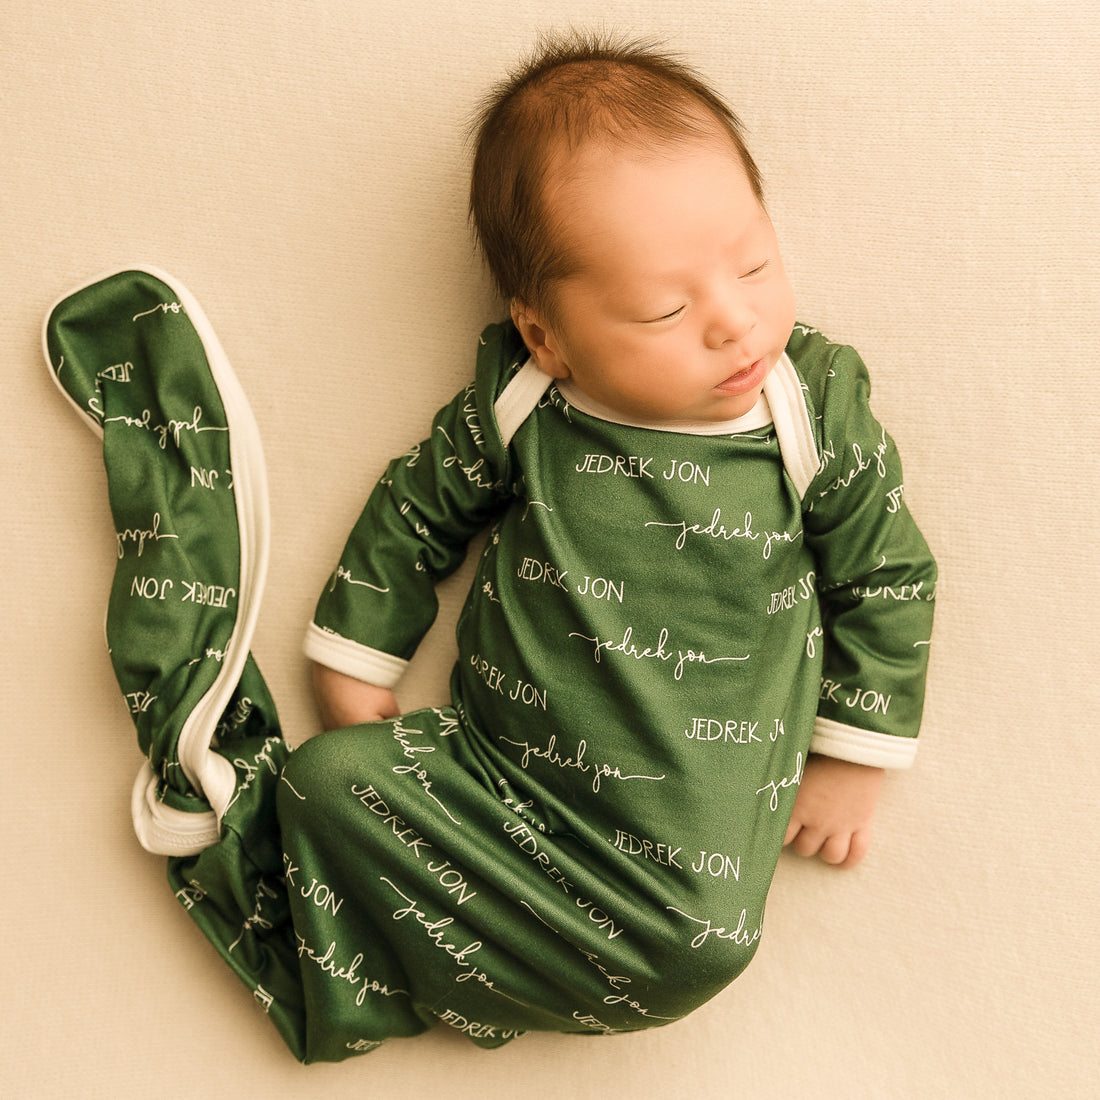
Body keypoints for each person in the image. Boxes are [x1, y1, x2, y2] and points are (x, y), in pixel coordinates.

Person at [44, 32, 935, 1065]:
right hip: (500, 782)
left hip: (682, 866)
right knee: (322, 784)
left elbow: (885, 572)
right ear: (547, 332)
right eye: (664, 306)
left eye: (753, 263)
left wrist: (852, 754)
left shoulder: (804, 401)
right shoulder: (524, 399)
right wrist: (356, 655)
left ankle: (393, 974)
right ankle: (395, 966)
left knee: (692, 949)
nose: (735, 323)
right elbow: (415, 511)